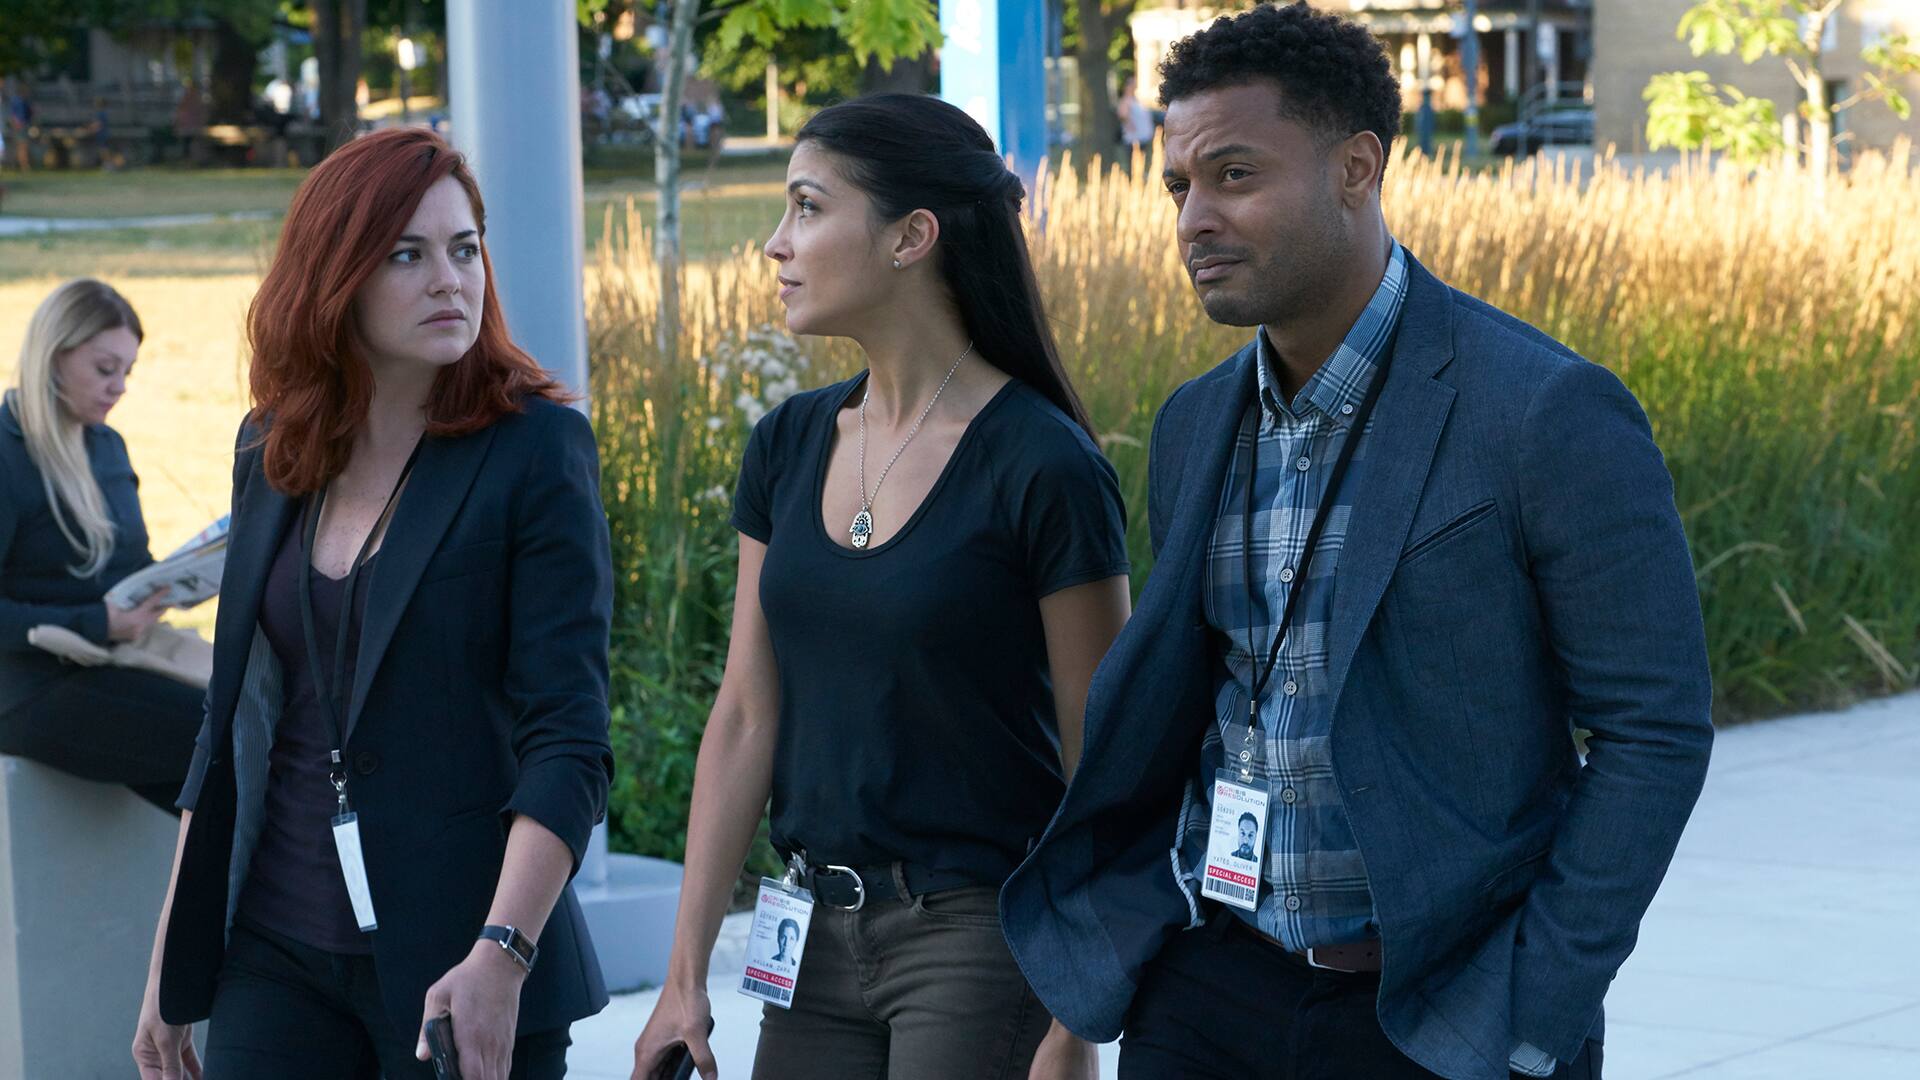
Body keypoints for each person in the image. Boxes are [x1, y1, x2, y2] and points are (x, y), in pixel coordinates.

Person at [1002, 5, 1714, 1080]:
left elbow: (1654, 729)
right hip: (1206, 989)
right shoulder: (1194, 424)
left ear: (1356, 168)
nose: (1195, 219)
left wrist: (1537, 1006)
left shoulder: (1543, 410)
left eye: (1235, 175)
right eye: (1179, 187)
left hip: (1441, 1015)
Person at [629, 93, 1133, 1080]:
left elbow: (1103, 761)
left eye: (808, 207)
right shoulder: (787, 444)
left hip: (976, 938)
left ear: (912, 237)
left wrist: (1075, 1018)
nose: (776, 243)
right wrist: (683, 977)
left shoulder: (1045, 466)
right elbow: (745, 713)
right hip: (807, 935)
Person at [130, 127, 616, 1080]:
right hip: (275, 948)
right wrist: (170, 960)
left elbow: (569, 740)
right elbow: (231, 721)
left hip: (463, 963)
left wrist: (503, 954)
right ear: (335, 275)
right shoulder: (271, 447)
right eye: (406, 255)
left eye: (464, 249)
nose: (450, 281)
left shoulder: (535, 452)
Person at [0, 279, 199, 812]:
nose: (120, 387)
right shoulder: (6, 452)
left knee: (251, 727)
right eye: (106, 368)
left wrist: (178, 580)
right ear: (53, 356)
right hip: (27, 687)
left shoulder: (107, 446)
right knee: (214, 740)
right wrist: (97, 623)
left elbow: (127, 564)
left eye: (127, 371)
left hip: (112, 661)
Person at [1117, 75, 1155, 158]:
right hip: (1134, 139)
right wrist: (1129, 124)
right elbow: (1122, 114)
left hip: (1143, 138)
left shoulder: (1136, 100)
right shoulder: (1126, 100)